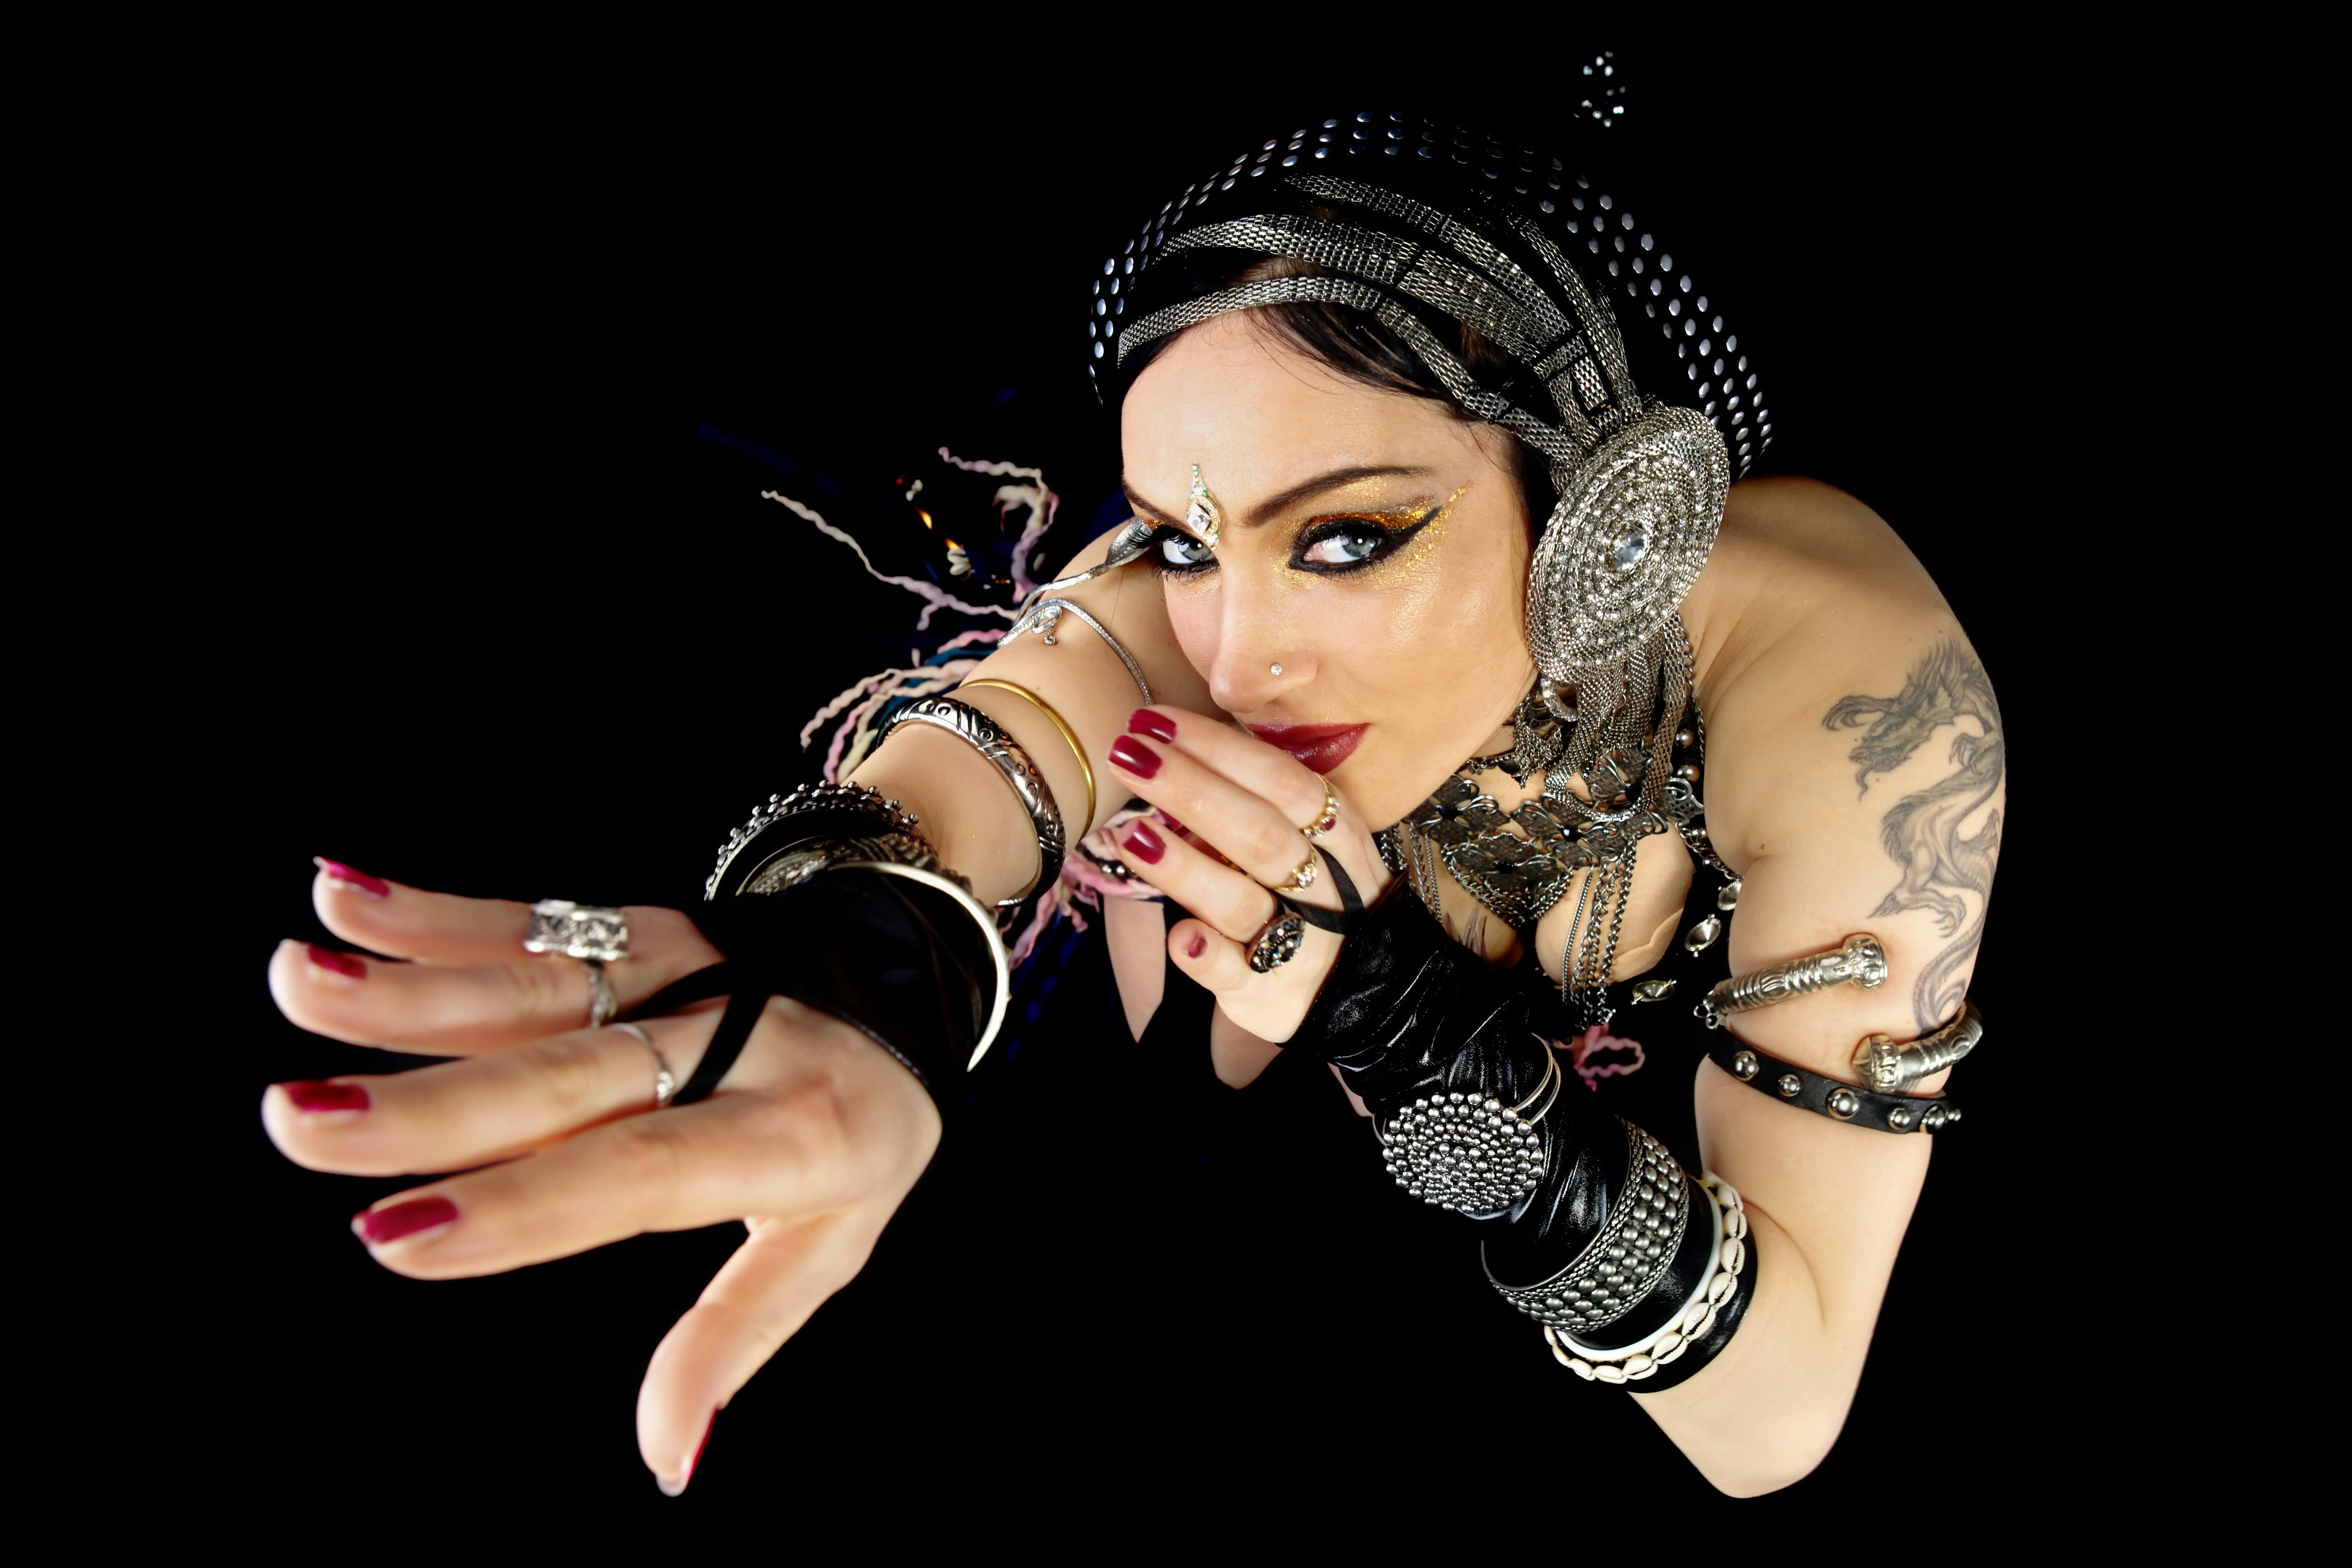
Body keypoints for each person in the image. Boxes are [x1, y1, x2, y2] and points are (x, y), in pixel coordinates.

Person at [260, 110, 2002, 1498]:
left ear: (1611, 520)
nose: (1235, 653)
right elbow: (1024, 713)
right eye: (1186, 539)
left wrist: (1406, 1023)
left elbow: (1776, 1419)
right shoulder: (1190, 613)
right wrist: (870, 950)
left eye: (1347, 540)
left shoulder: (1860, 708)